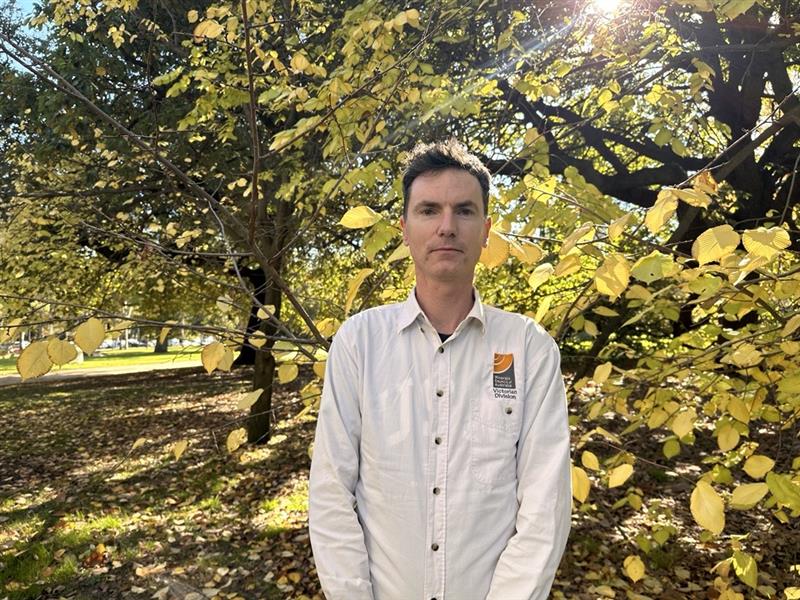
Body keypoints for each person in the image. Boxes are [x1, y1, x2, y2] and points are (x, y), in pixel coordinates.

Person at [308, 139, 571, 600]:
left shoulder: (529, 349)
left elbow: (544, 508)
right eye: (429, 210)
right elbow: (331, 494)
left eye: (464, 211)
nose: (447, 227)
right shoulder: (359, 343)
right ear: (405, 228)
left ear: (486, 230)